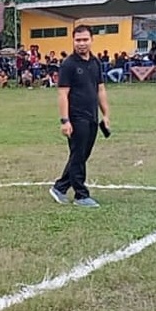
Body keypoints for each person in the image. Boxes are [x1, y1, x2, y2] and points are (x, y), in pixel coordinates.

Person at [49, 25, 110, 208]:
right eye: (78, 40)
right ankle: (81, 195)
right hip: (76, 117)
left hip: (92, 115)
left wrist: (106, 114)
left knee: (82, 155)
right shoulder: (69, 64)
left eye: (85, 39)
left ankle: (60, 187)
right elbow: (62, 94)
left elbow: (100, 89)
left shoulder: (95, 62)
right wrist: (65, 120)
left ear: (92, 40)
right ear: (73, 41)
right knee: (78, 155)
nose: (82, 43)